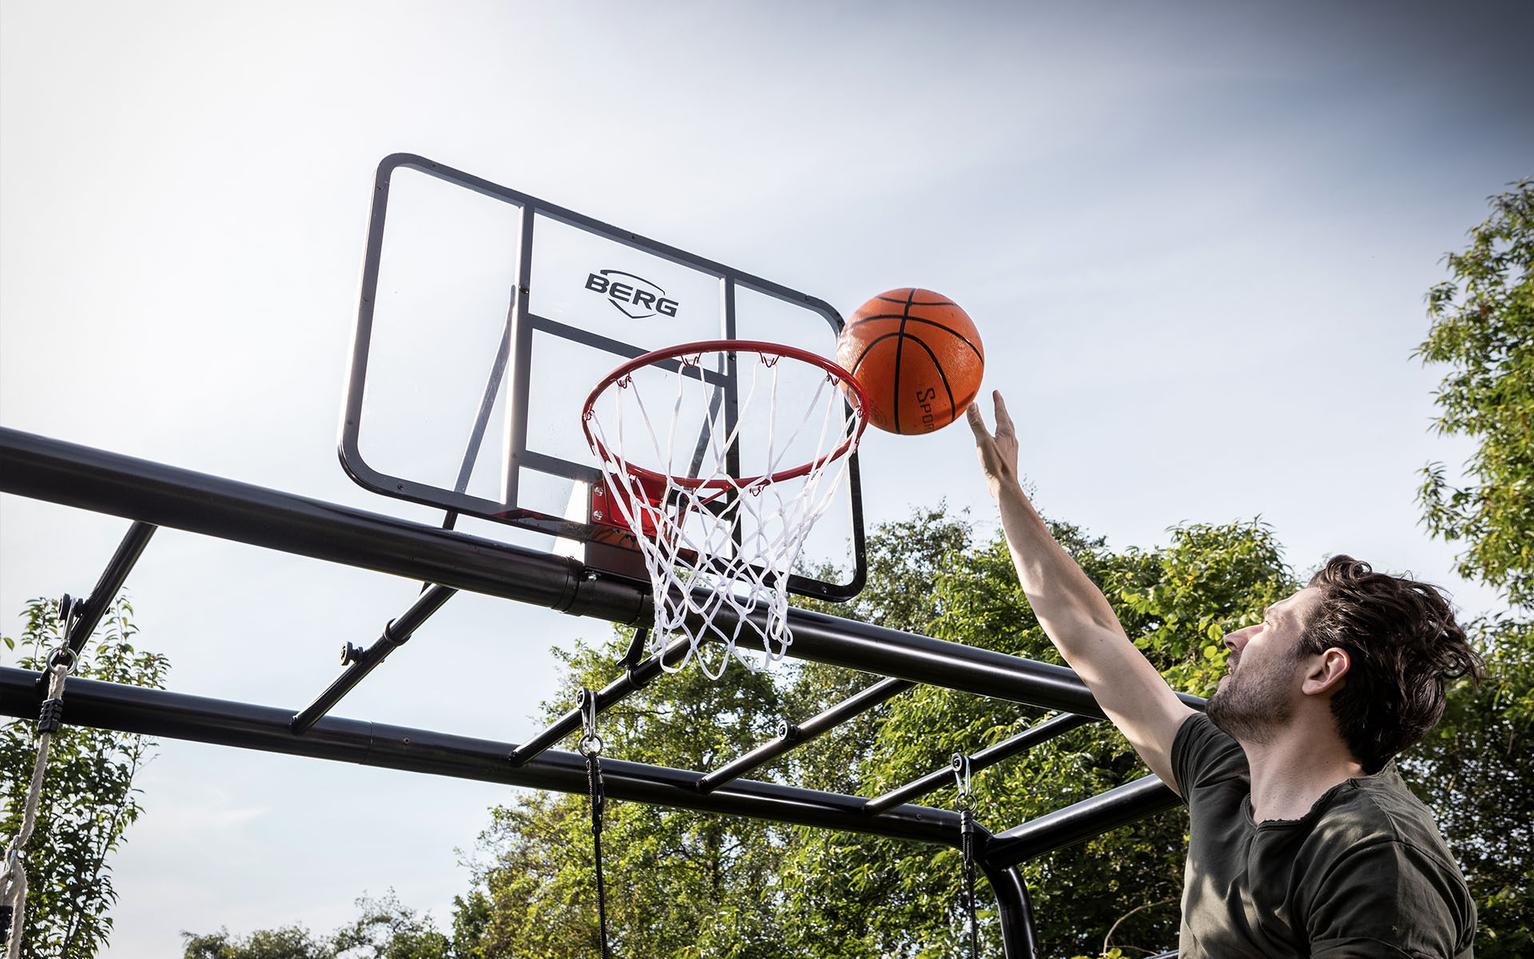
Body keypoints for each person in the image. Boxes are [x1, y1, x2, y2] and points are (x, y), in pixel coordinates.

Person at [967, 391, 1481, 957]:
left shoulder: (1374, 853)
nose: (1234, 638)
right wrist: (1005, 491)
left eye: (1269, 625)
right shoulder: (1225, 771)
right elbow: (1091, 632)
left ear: (1323, 671)